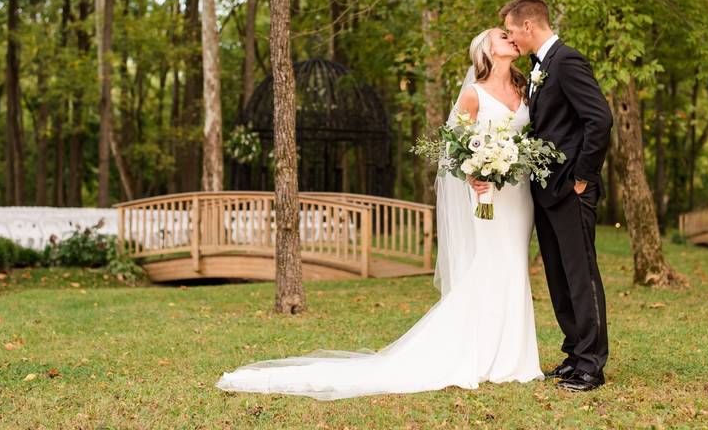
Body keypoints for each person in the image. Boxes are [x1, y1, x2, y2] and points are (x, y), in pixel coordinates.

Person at [215, 27, 543, 400]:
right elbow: (453, 148)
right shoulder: (473, 95)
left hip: (519, 195)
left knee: (514, 264)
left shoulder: (527, 88)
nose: (511, 39)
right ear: (486, 50)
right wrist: (474, 175)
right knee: (489, 265)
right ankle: (485, 354)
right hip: (487, 196)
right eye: (503, 36)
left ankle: (516, 357)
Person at [475, 0, 613, 392]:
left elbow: (599, 120)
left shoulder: (566, 61)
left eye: (513, 30)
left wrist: (582, 178)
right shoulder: (539, 68)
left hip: (571, 189)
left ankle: (591, 365)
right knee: (559, 275)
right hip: (545, 192)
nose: (513, 39)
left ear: (529, 26)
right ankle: (574, 354)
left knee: (580, 273)